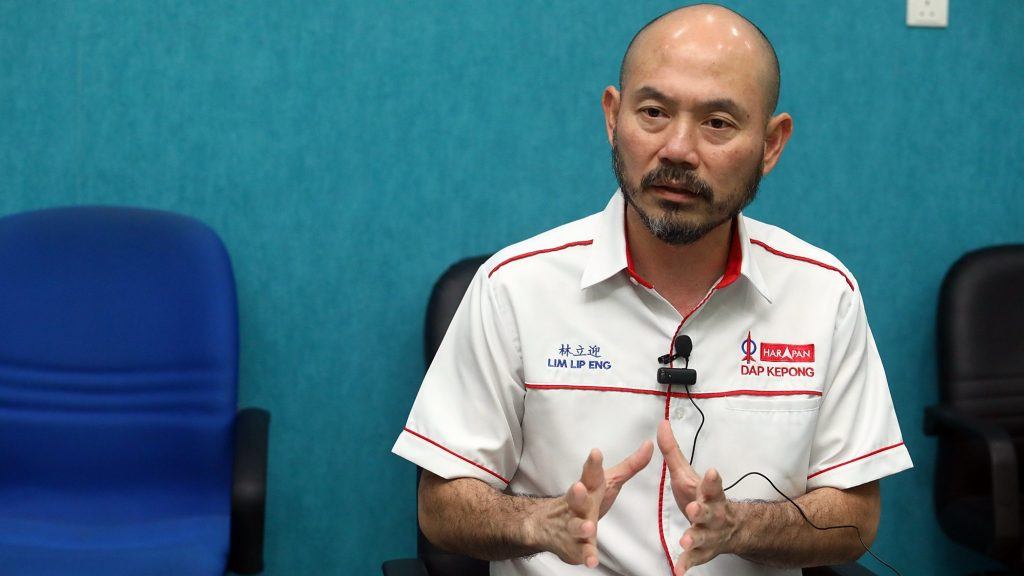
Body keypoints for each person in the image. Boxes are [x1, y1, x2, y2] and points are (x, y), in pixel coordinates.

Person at [393, 4, 913, 575]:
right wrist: (540, 523)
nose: (678, 150)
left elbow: (856, 518)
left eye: (718, 123)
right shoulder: (513, 287)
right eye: (654, 113)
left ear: (771, 144)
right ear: (613, 117)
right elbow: (440, 505)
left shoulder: (824, 295)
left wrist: (742, 526)